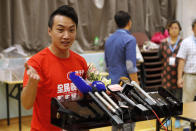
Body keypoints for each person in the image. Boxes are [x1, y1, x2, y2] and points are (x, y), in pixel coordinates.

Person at [21, 5, 88, 131]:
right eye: (60, 30)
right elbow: (26, 104)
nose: (66, 36)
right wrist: (32, 82)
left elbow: (85, 97)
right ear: (49, 31)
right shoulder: (36, 63)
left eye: (71, 30)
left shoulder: (80, 61)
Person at [104, 10, 138, 131]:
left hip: (110, 85)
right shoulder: (130, 39)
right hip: (125, 87)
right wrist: (137, 88)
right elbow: (130, 66)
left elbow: (106, 65)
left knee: (116, 118)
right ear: (129, 22)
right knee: (128, 120)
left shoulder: (108, 40)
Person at [159, 20, 183, 128]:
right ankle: (167, 118)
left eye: (176, 28)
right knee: (166, 99)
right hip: (166, 75)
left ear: (179, 30)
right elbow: (160, 57)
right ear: (168, 29)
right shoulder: (163, 42)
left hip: (178, 76)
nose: (174, 30)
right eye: (172, 27)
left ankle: (177, 119)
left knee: (178, 99)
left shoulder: (183, 42)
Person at [177, 19, 196, 103]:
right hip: (190, 77)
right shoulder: (186, 42)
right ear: (193, 29)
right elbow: (181, 61)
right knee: (188, 102)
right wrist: (179, 78)